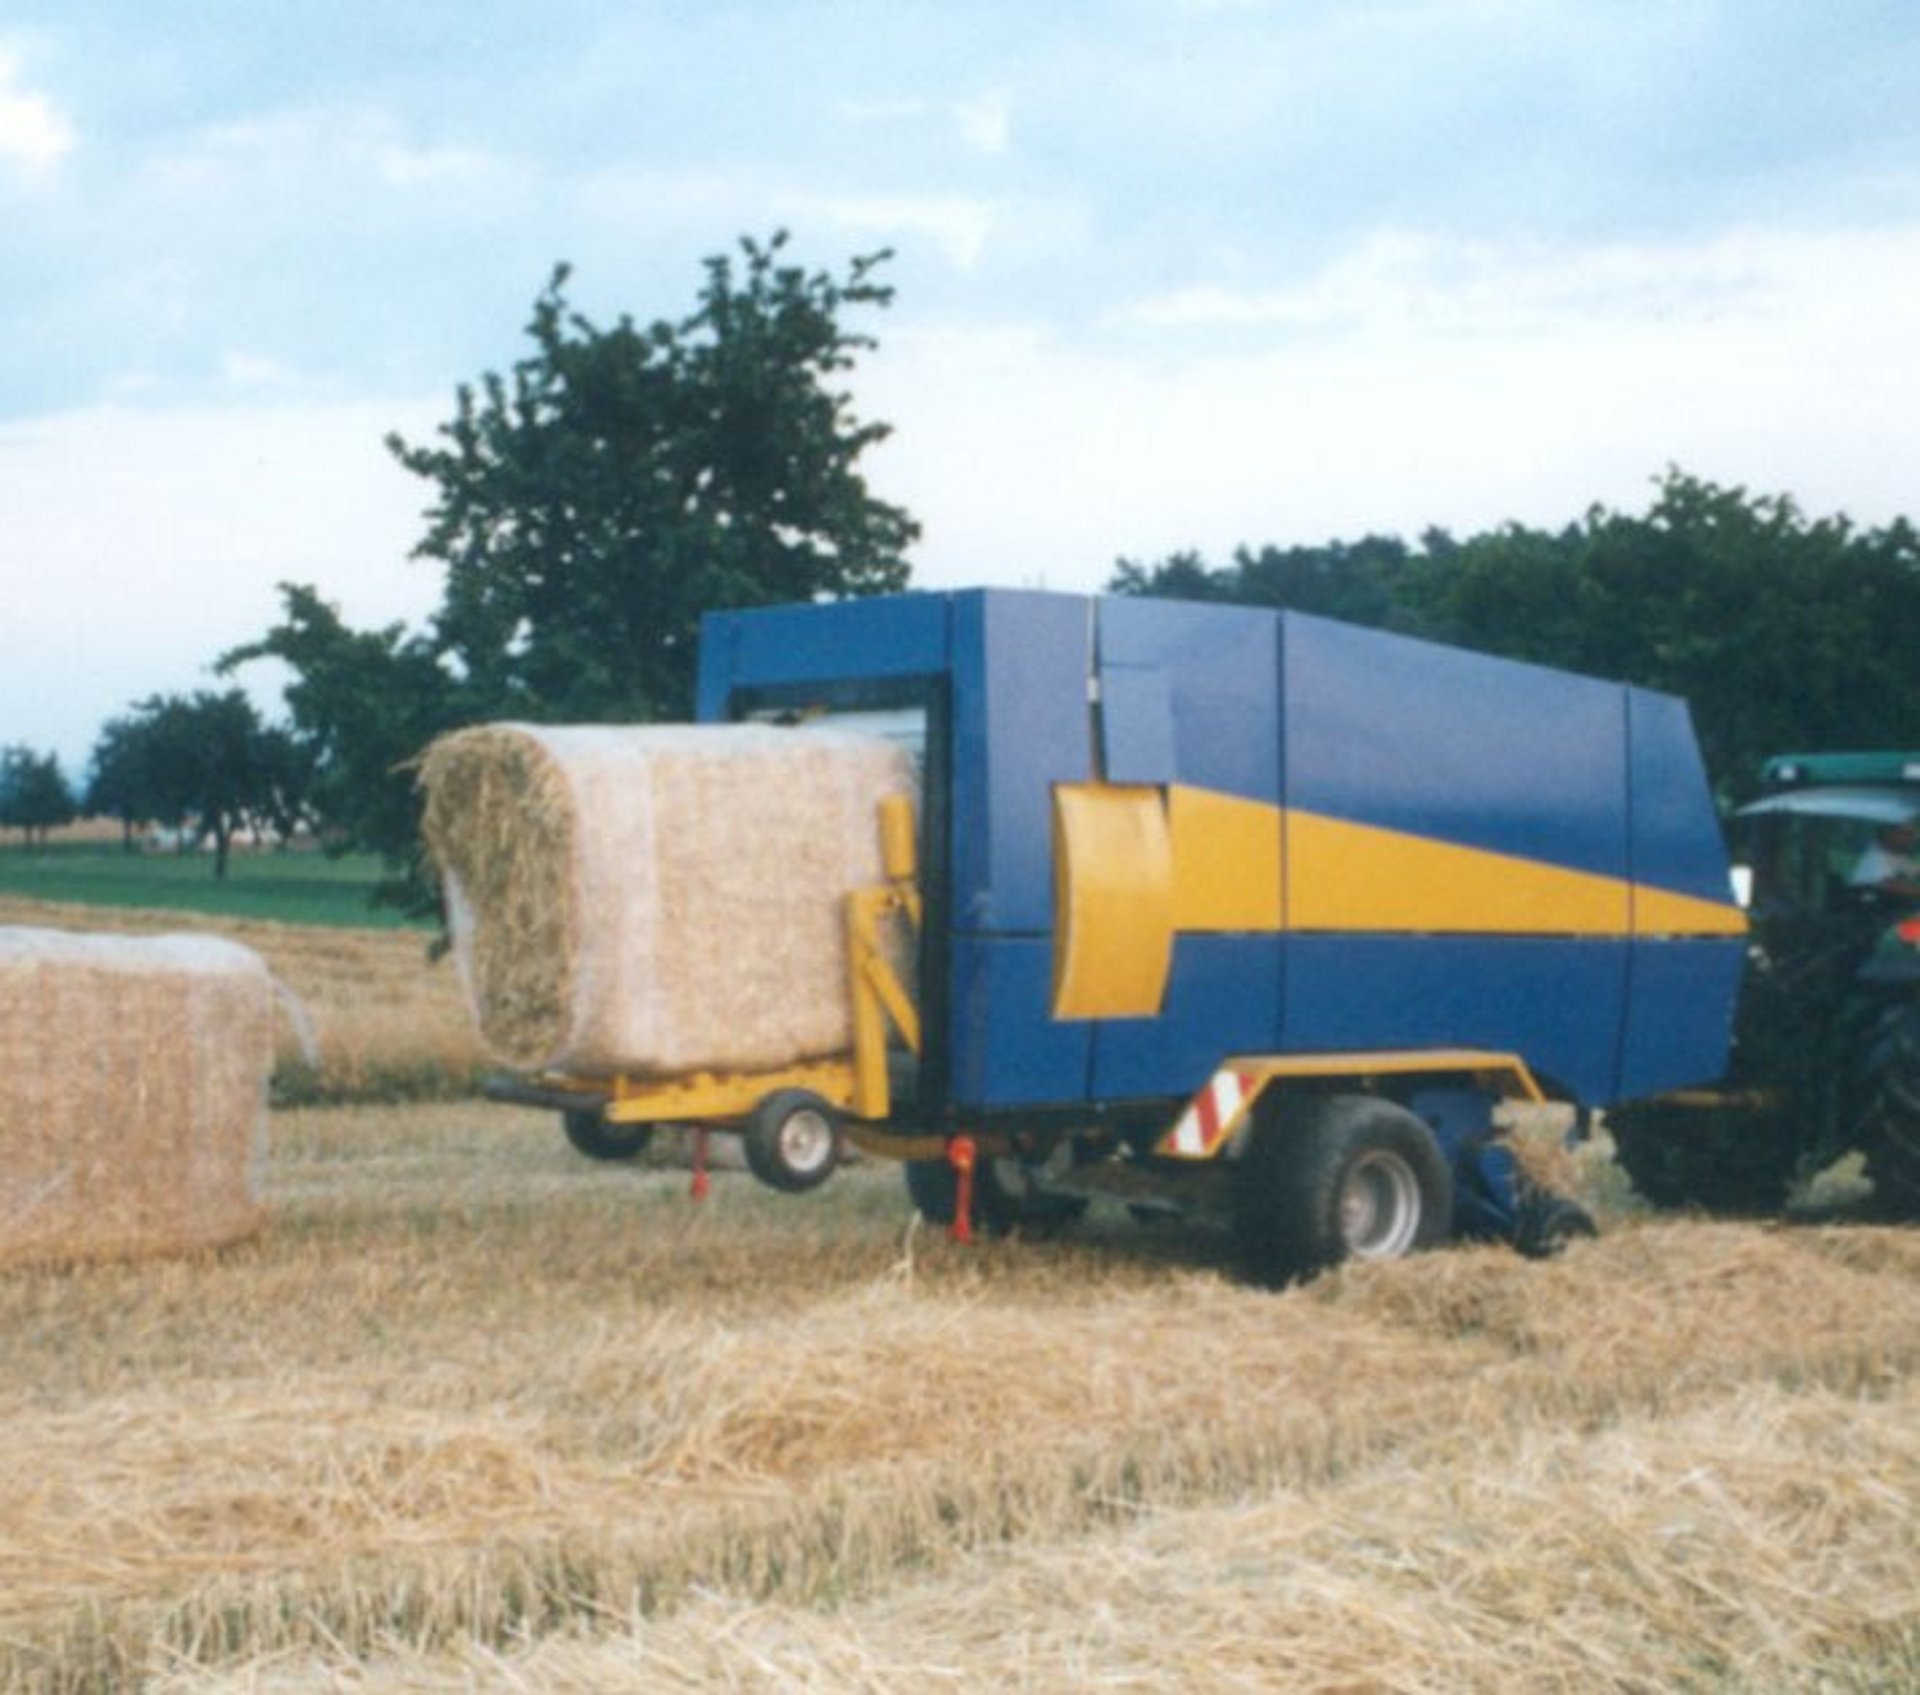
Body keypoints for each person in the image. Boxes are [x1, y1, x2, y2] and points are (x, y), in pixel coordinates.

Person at [1849, 819, 1920, 900]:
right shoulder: (1875, 856)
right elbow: (1890, 885)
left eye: (1913, 834)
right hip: (1867, 907)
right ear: (1889, 833)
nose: (1913, 838)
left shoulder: (1896, 855)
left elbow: (1914, 870)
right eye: (1907, 833)